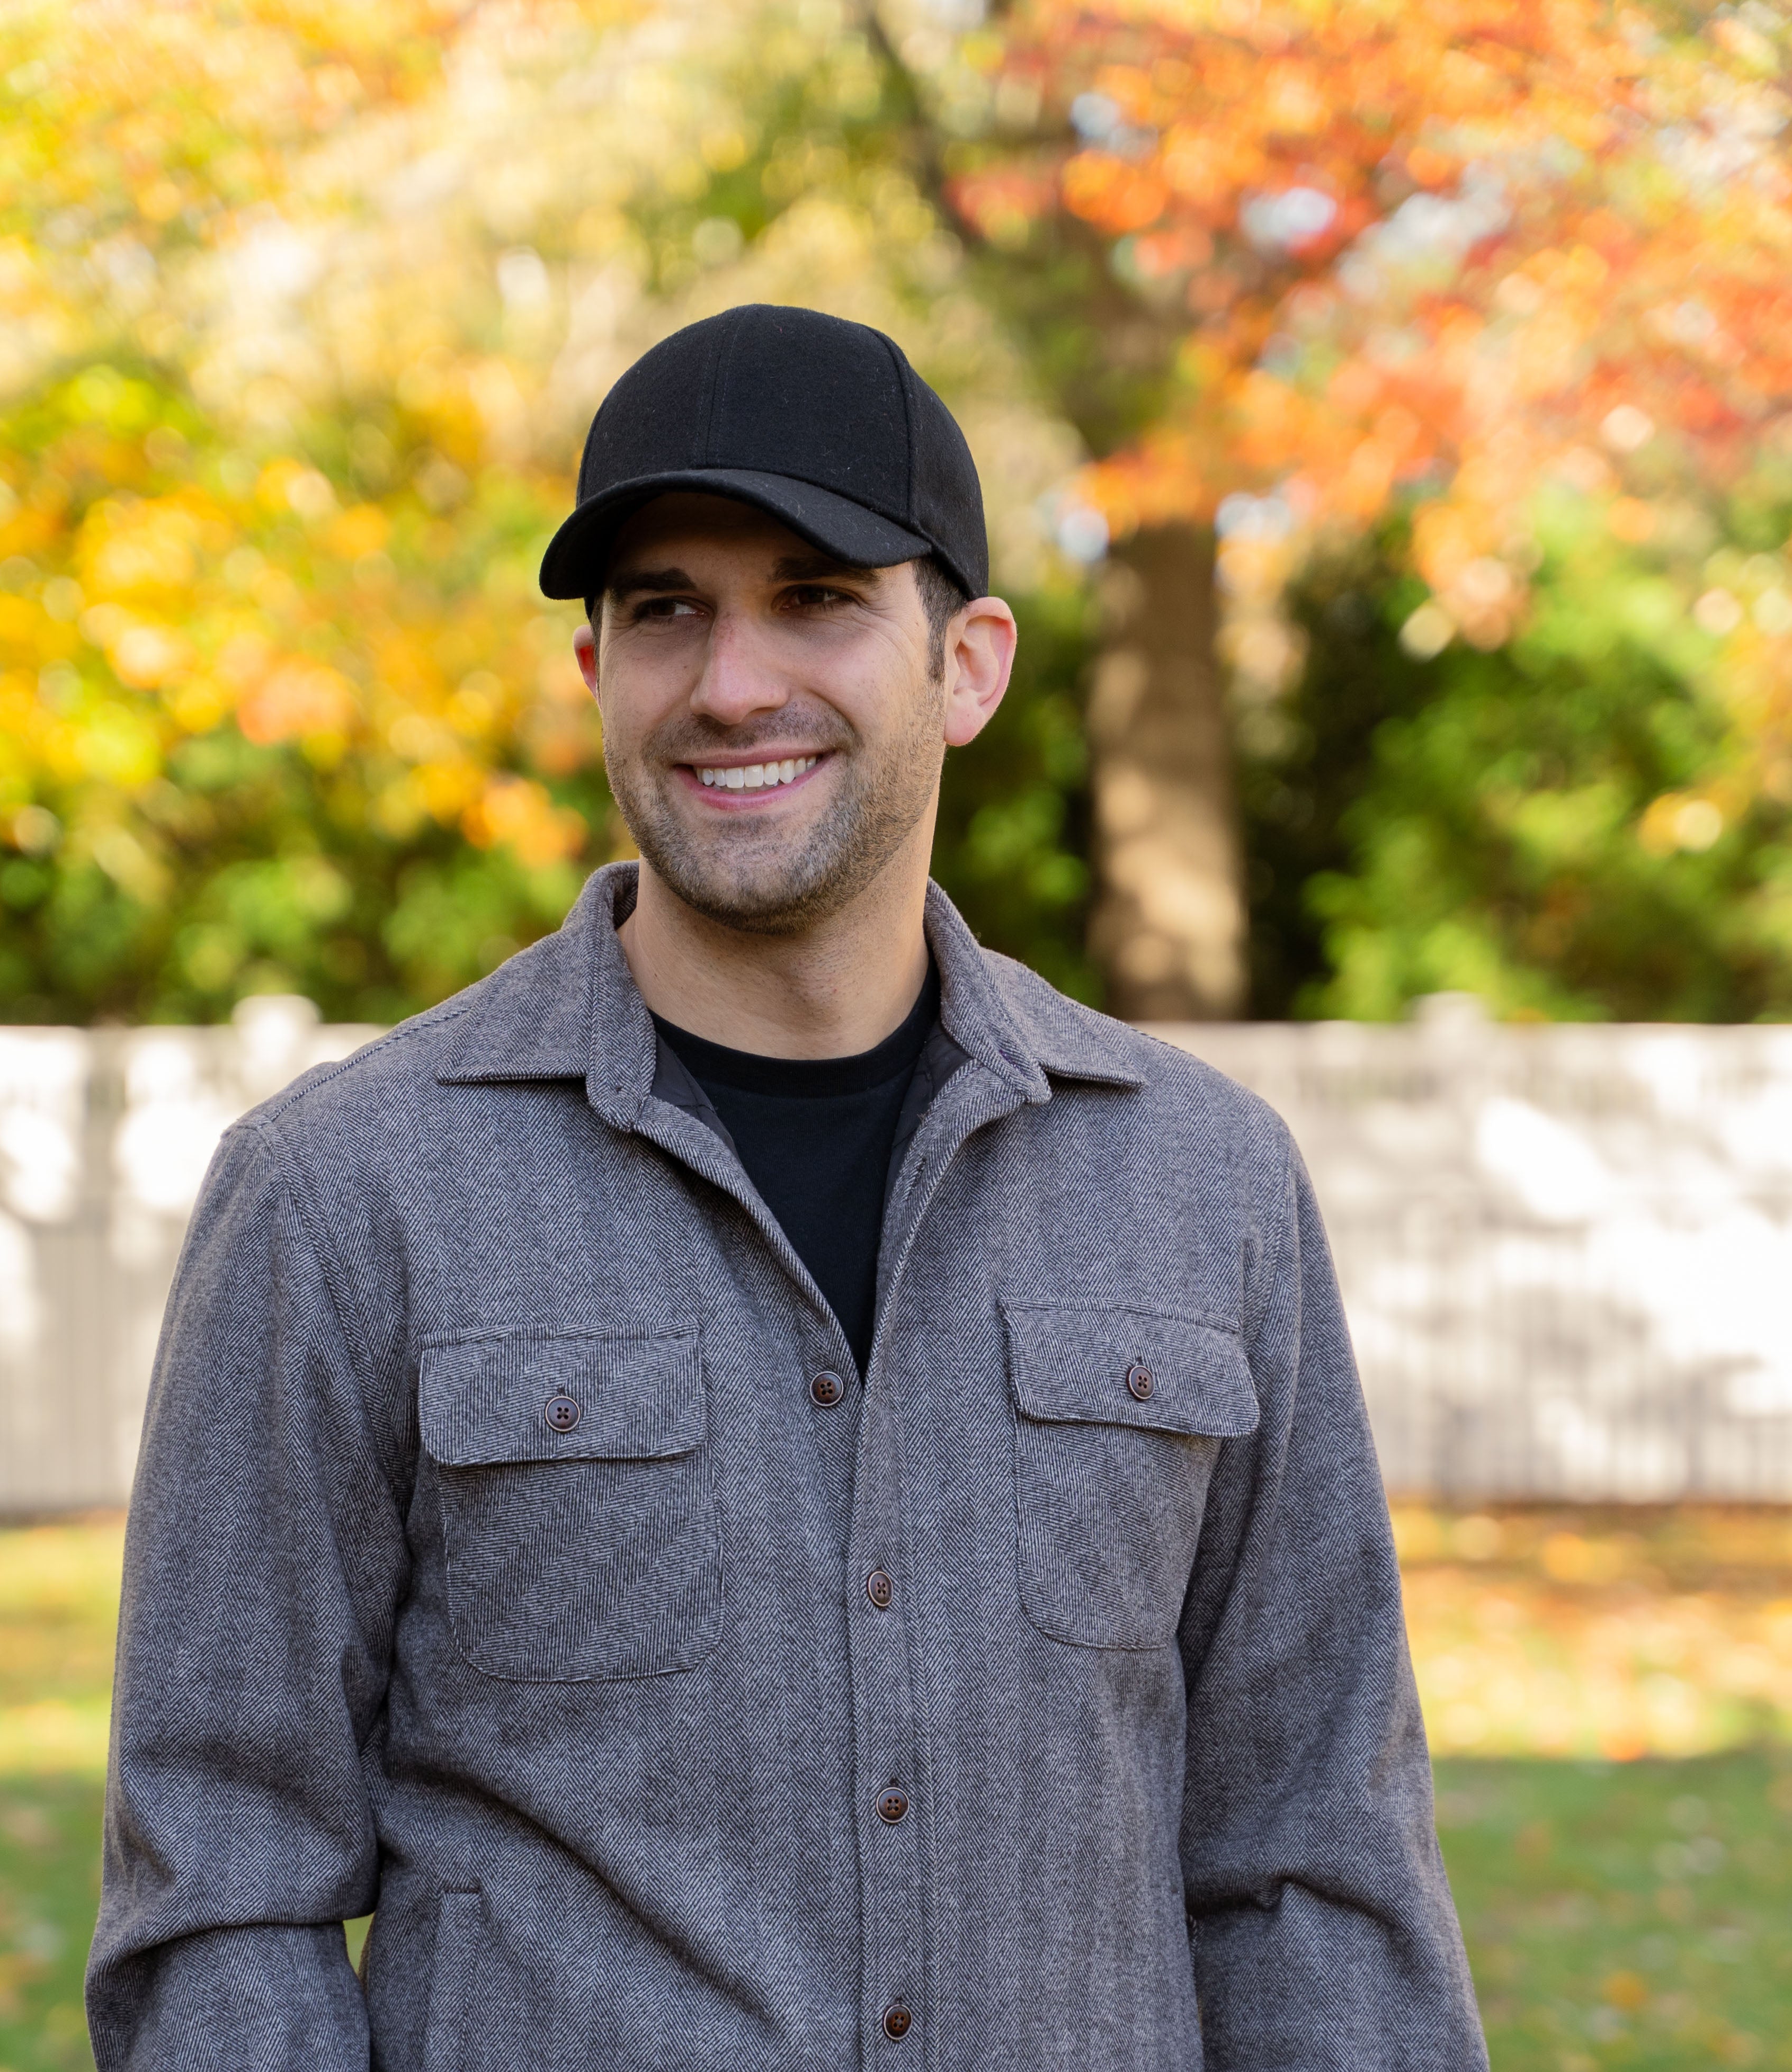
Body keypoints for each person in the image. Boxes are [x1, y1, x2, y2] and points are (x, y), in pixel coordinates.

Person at [86, 303, 1486, 2069]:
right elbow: (222, 1899)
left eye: (816, 595)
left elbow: (1317, 1870)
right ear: (599, 675)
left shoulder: (1205, 1186)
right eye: (666, 610)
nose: (733, 682)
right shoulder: (343, 1196)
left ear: (966, 666)